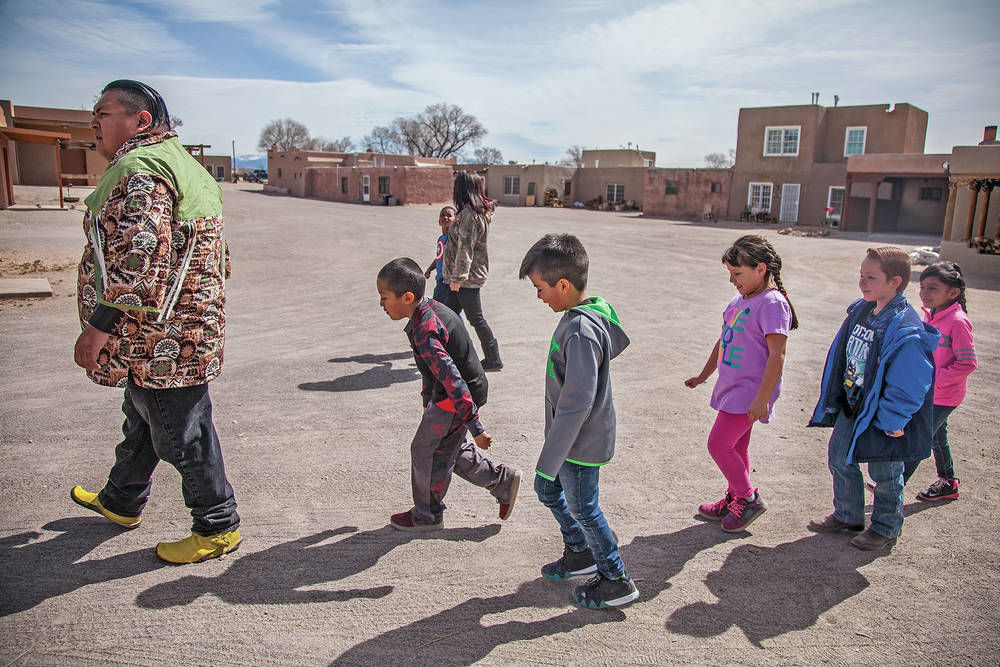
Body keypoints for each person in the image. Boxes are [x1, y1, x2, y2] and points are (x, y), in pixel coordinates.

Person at [70, 79, 240, 563]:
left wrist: (98, 326)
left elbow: (139, 261)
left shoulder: (141, 170)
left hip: (161, 337)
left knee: (182, 430)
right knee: (143, 417)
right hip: (174, 329)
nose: (94, 122)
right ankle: (122, 500)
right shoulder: (181, 163)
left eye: (104, 112)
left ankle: (217, 524)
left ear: (140, 121)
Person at [518, 234, 639, 609]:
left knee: (584, 507)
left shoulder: (581, 330)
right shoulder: (577, 319)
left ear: (564, 285)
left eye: (540, 289)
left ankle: (616, 578)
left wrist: (549, 459)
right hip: (569, 439)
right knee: (549, 492)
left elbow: (577, 403)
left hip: (578, 444)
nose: (539, 297)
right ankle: (579, 553)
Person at [376, 258, 520, 532]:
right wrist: (427, 400)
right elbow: (431, 371)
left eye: (384, 298)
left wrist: (476, 427)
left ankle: (427, 515)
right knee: (448, 446)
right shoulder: (426, 311)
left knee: (425, 449)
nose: (381, 305)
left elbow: (453, 379)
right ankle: (503, 481)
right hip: (457, 393)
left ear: (407, 297)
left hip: (457, 397)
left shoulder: (425, 329)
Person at [808, 247, 937, 551]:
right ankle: (848, 515)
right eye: (861, 276)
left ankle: (885, 528)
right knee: (839, 458)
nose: (862, 283)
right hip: (853, 406)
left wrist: (893, 419)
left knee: (886, 473)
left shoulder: (906, 328)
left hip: (881, 416)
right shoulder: (864, 309)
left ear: (895, 281)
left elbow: (910, 383)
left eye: (870, 278)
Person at [685, 235, 797, 532]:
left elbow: (777, 354)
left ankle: (748, 499)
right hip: (732, 387)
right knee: (737, 446)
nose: (733, 281)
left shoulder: (773, 303)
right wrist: (704, 375)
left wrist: (762, 398)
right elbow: (724, 341)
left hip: (749, 391)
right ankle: (737, 495)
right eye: (730, 274)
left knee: (719, 444)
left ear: (761, 268)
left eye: (738, 274)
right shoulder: (739, 301)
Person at [903, 262, 977, 500]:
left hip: (944, 395)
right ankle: (948, 481)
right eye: (922, 286)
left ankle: (893, 482)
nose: (924, 292)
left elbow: (967, 363)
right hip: (928, 392)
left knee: (919, 436)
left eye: (932, 288)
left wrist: (935, 380)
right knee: (936, 435)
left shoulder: (957, 321)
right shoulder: (929, 316)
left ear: (953, 293)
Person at [443, 172, 502, 371]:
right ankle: (450, 354)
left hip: (466, 277)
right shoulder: (474, 212)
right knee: (448, 316)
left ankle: (493, 359)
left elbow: (465, 248)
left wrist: (458, 278)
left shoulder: (469, 215)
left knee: (475, 318)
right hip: (465, 276)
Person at [423, 205, 460, 310]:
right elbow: (439, 257)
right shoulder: (441, 238)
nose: (445, 217)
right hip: (440, 279)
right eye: (442, 215)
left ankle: (455, 326)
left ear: (456, 220)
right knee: (446, 311)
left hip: (447, 280)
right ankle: (456, 326)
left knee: (440, 310)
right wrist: (430, 269)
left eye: (449, 215)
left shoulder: (453, 237)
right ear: (439, 221)